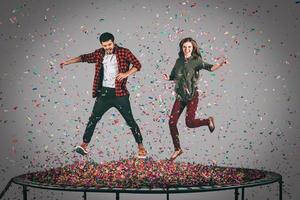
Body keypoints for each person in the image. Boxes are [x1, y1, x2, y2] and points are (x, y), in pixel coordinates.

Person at [60, 32, 147, 158]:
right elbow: (83, 57)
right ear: (102, 45)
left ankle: (141, 148)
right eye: (105, 46)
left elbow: (137, 65)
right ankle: (84, 145)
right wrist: (67, 62)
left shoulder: (124, 52)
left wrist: (126, 74)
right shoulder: (99, 53)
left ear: (113, 41)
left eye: (109, 44)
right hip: (104, 94)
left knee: (130, 121)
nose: (108, 48)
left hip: (120, 94)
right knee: (93, 119)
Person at [163, 37, 227, 161]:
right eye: (185, 47)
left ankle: (208, 121)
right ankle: (177, 149)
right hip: (180, 96)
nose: (187, 49)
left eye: (189, 47)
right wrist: (168, 78)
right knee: (171, 122)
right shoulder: (178, 61)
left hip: (192, 96)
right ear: (182, 48)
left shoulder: (196, 60)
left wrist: (220, 64)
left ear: (193, 48)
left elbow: (210, 68)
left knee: (189, 123)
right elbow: (174, 75)